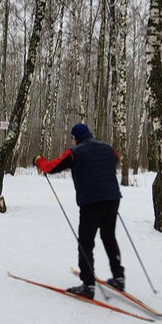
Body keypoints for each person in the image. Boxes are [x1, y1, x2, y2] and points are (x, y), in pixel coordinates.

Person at [35, 123, 124, 299]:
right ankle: (119, 277)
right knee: (108, 236)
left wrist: (38, 160)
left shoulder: (74, 153)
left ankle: (88, 285)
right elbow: (117, 159)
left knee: (85, 242)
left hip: (91, 202)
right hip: (112, 199)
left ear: (75, 138)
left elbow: (50, 168)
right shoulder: (107, 148)